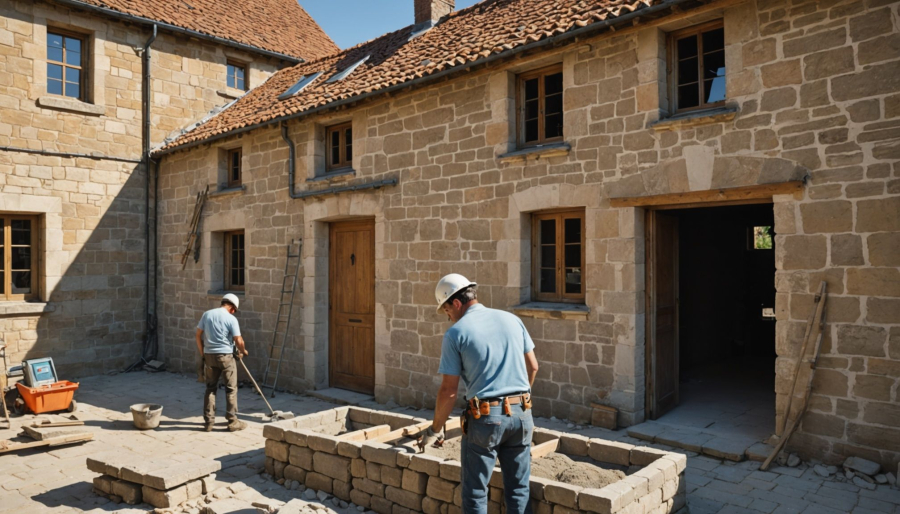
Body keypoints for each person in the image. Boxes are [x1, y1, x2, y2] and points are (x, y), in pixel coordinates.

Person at [421, 273, 539, 514]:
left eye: (446, 310)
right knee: (518, 489)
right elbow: (534, 366)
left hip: (487, 419)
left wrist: (435, 429)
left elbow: (448, 392)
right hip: (523, 416)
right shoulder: (512, 319)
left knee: (475, 492)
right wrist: (517, 403)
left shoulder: (456, 334)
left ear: (455, 303)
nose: (448, 317)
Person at [196, 293, 248, 432]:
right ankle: (232, 421)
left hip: (209, 356)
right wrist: (244, 351)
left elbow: (198, 335)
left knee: (210, 388)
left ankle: (208, 422)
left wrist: (203, 354)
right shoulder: (231, 319)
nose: (234, 312)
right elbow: (238, 340)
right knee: (231, 389)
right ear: (232, 307)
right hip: (225, 357)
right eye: (234, 310)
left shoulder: (207, 314)